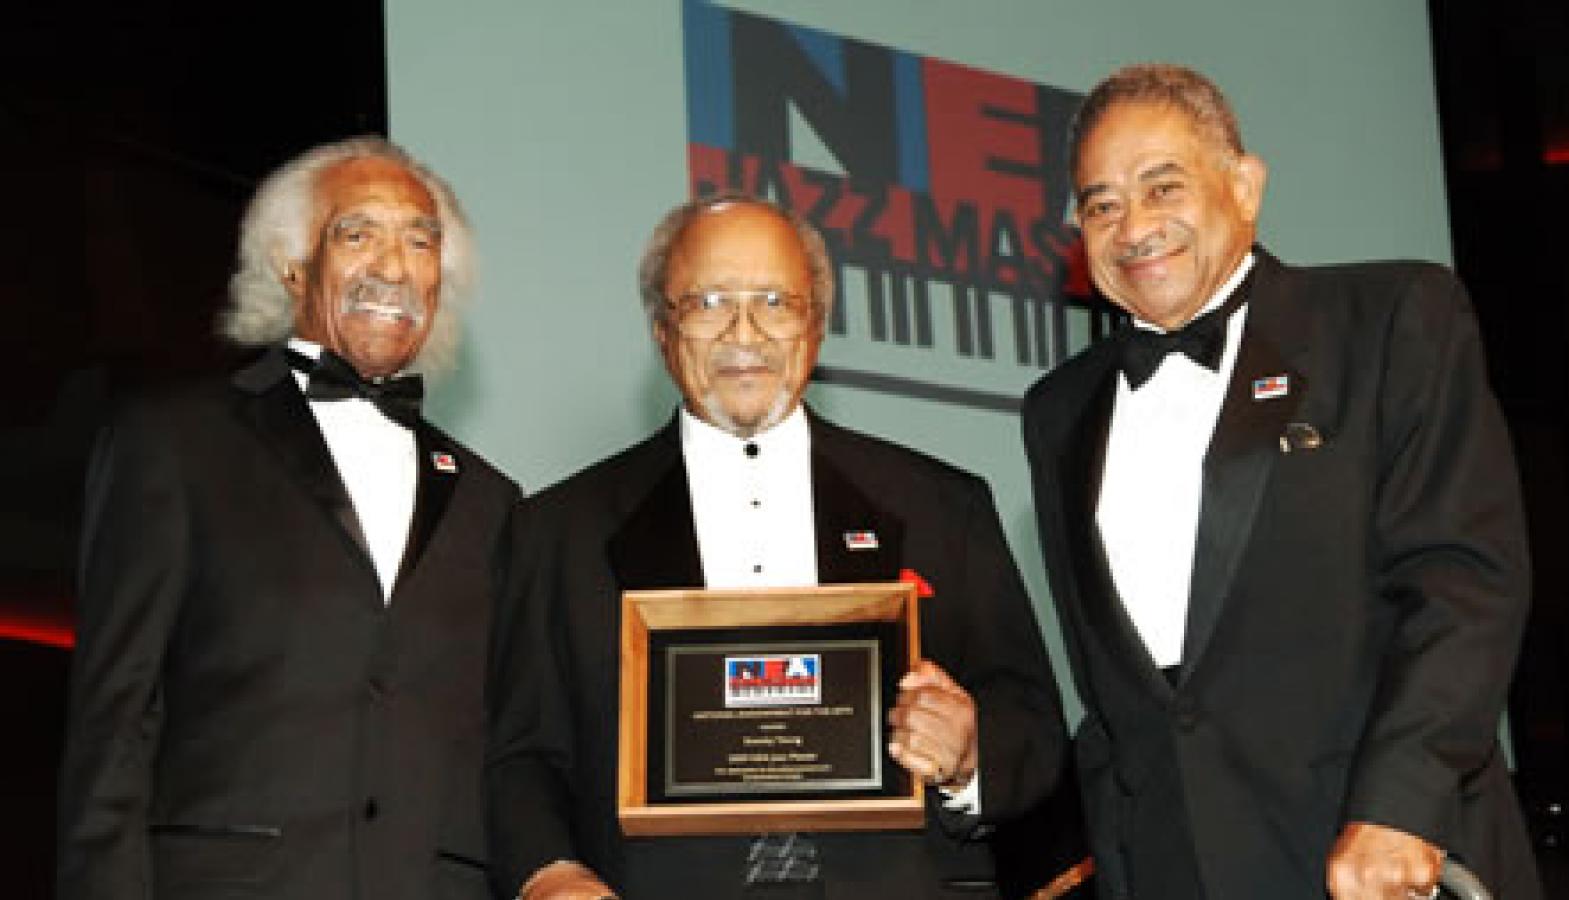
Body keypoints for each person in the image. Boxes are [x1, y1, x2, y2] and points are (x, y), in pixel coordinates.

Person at [1022, 63, 1542, 900]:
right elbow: (1120, 697)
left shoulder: (1393, 318)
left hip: (1380, 863)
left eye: (1163, 188)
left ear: (1245, 184)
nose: (1134, 228)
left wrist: (1401, 809)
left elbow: (1462, 584)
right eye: (1101, 204)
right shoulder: (1058, 413)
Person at [487, 194, 1068, 899]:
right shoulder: (559, 530)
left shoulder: (945, 507)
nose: (744, 331)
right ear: (662, 330)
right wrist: (548, 871)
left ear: (816, 324)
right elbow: (521, 756)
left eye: (774, 300)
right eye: (707, 301)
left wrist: (972, 754)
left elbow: (1033, 723)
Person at [57, 137, 519, 900]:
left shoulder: (491, 501)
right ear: (292, 264)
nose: (395, 267)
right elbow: (115, 721)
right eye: (357, 232)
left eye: (420, 240)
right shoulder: (174, 444)